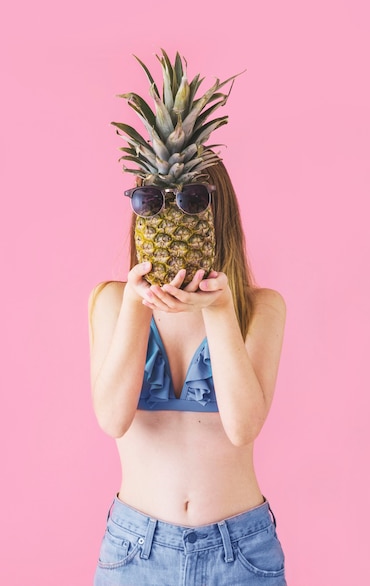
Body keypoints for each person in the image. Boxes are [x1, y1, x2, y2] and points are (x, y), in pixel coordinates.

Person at [88, 159, 288, 585]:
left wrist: (218, 309)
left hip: (240, 554)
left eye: (191, 201)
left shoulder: (260, 308)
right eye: (151, 202)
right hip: (135, 552)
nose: (171, 216)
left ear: (218, 211)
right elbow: (112, 418)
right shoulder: (111, 301)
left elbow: (243, 426)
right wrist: (137, 305)